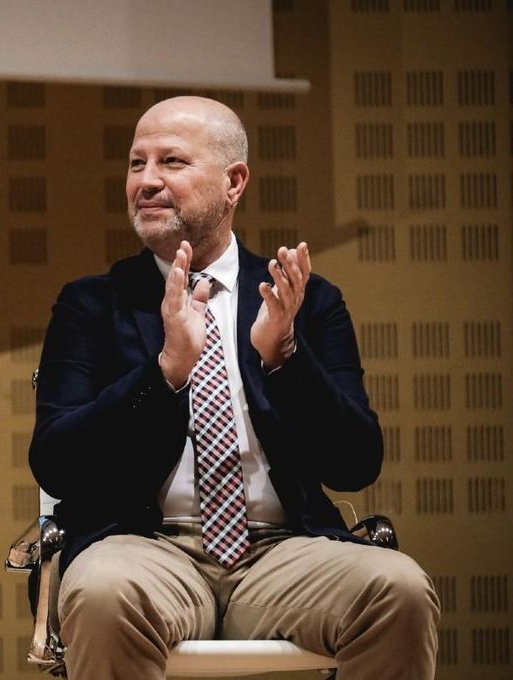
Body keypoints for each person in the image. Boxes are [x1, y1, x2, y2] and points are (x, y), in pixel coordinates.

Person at [28, 96, 439, 679]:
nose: (146, 181)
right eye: (136, 163)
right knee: (101, 592)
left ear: (234, 182)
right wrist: (165, 371)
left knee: (400, 590)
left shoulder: (307, 301)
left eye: (171, 161)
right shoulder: (92, 305)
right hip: (142, 548)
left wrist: (285, 358)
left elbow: (356, 463)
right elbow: (56, 461)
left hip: (281, 551)